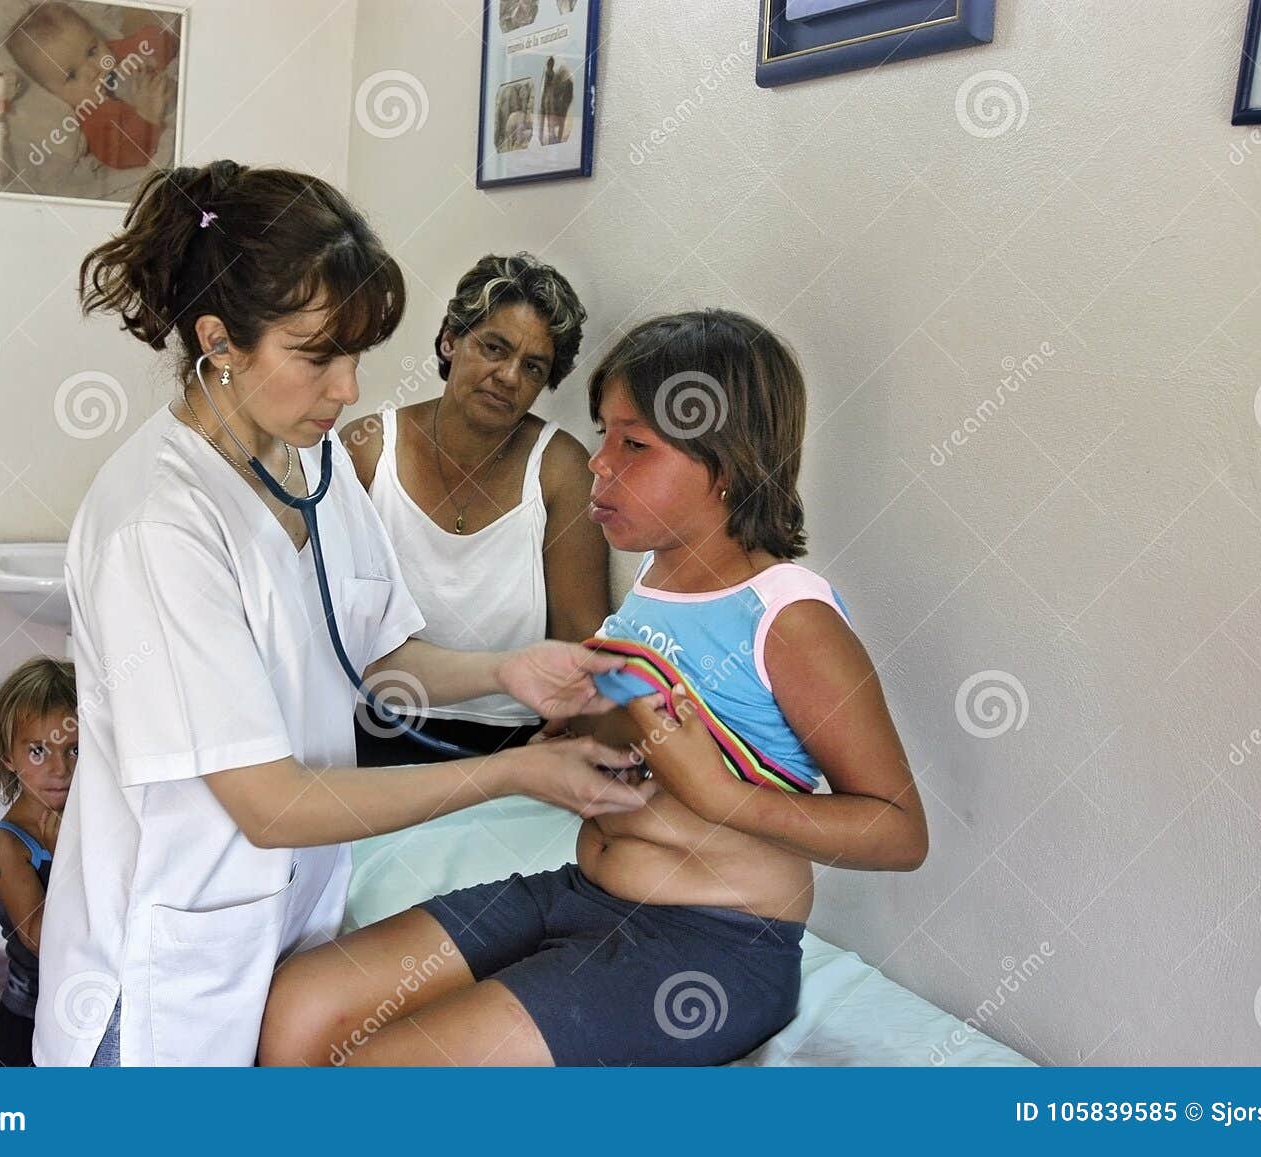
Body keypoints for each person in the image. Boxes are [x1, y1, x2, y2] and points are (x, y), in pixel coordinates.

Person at [32, 161, 650, 1067]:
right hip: (165, 984)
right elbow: (272, 804)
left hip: (281, 938)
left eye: (357, 355)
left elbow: (380, 648)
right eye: (317, 356)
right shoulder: (159, 522)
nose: (348, 389)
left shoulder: (311, 467)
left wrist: (507, 670)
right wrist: (516, 775)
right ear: (220, 341)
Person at [259, 310, 927, 1067]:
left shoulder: (787, 614)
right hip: (582, 893)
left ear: (731, 463)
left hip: (714, 943)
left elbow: (899, 830)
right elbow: (645, 737)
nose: (600, 465)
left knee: (388, 1073)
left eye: (635, 445)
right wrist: (589, 725)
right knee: (299, 1006)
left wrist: (716, 794)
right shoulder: (655, 580)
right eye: (604, 434)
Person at [342, 253, 607, 762]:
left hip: (510, 743)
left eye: (533, 367)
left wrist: (561, 743)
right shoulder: (368, 449)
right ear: (449, 341)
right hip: (370, 726)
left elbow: (583, 641)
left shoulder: (561, 468)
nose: (508, 376)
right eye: (493, 347)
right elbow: (330, 623)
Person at [0, 657, 78, 1067]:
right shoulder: (7, 843)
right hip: (29, 1018)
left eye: (75, 749)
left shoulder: (89, 823)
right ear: (7, 756)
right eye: (38, 750)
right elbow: (40, 936)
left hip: (84, 1012)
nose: (60, 768)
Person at [5, 2, 178, 170]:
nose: (94, 70)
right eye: (72, 75)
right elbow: (126, 154)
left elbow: (163, 39)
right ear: (52, 93)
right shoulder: (93, 116)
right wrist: (146, 114)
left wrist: (147, 57)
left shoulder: (116, 55)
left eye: (92, 51)